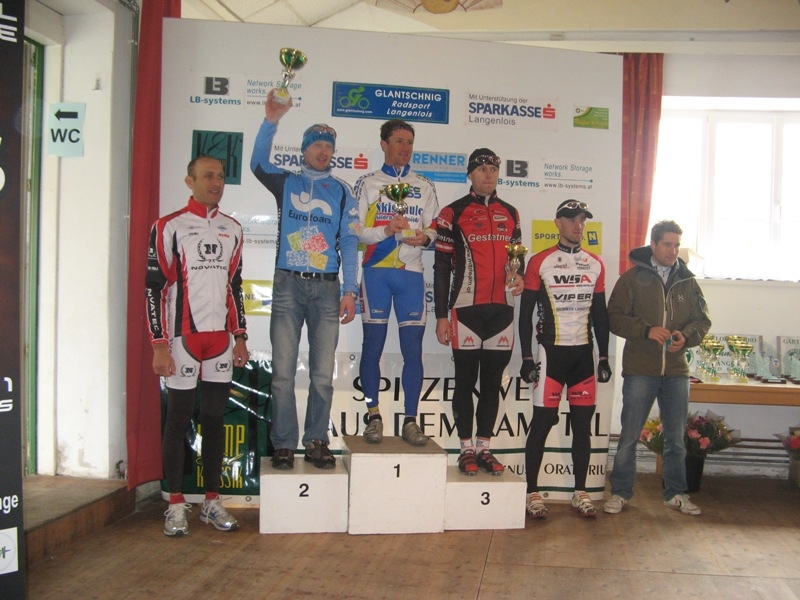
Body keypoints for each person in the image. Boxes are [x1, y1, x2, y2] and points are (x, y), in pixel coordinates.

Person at [250, 90, 359, 471]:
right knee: (282, 373)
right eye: (317, 145)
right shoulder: (287, 183)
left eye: (329, 147)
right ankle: (283, 443)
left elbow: (349, 241)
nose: (323, 152)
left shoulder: (342, 191)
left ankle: (316, 440)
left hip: (327, 288)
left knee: (322, 376)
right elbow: (257, 163)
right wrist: (271, 120)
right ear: (304, 150)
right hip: (288, 285)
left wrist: (350, 289)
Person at [146, 156, 248, 537]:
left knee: (214, 420)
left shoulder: (233, 228)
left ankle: (211, 501)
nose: (215, 182)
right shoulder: (169, 226)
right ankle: (175, 503)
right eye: (207, 176)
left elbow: (234, 287)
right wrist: (159, 344)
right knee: (177, 420)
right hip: (182, 340)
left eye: (220, 176)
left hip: (220, 341)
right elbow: (154, 289)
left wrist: (240, 337)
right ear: (190, 181)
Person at [604, 220, 711, 516]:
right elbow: (613, 317)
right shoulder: (631, 279)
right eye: (667, 244)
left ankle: (675, 494)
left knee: (676, 440)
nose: (672, 251)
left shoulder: (687, 281)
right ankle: (621, 493)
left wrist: (685, 337)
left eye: (676, 245)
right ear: (653, 245)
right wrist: (646, 330)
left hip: (676, 373)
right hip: (640, 370)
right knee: (629, 436)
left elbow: (702, 321)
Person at [518, 199, 612, 519]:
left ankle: (580, 491)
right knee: (542, 423)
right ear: (558, 223)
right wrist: (527, 357)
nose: (578, 225)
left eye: (582, 220)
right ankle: (532, 491)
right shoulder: (540, 261)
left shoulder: (595, 263)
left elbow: (600, 315)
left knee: (583, 426)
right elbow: (525, 315)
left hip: (583, 355)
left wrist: (604, 356)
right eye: (572, 219)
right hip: (551, 354)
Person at [433, 148, 524, 476]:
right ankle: (465, 449)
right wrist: (441, 316)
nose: (488, 175)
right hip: (465, 311)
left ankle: (484, 447)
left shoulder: (511, 212)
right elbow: (441, 267)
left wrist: (519, 275)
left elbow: (517, 259)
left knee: (492, 384)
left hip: (502, 312)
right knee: (464, 381)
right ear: (470, 174)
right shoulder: (452, 212)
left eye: (493, 169)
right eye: (482, 169)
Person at [354, 119, 439, 446]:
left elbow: (433, 229)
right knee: (372, 348)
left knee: (413, 352)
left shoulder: (424, 185)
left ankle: (411, 420)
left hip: (411, 275)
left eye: (410, 142)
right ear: (384, 144)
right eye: (399, 141)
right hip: (376, 272)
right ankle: (373, 415)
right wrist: (386, 231)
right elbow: (356, 231)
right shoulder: (368, 183)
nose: (405, 148)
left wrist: (424, 238)